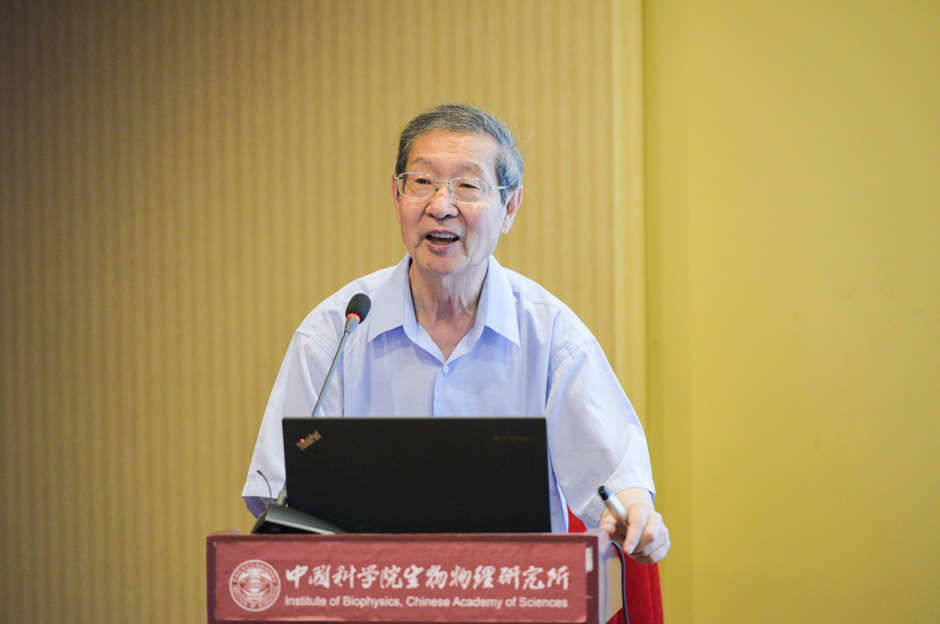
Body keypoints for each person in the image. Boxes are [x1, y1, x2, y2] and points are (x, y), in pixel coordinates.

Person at [242, 103, 670, 564]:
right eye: (421, 182)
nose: (440, 206)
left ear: (509, 207)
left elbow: (617, 482)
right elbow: (278, 492)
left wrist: (635, 513)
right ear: (396, 196)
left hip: (512, 593)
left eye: (467, 186)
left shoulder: (550, 336)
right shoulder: (337, 331)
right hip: (367, 591)